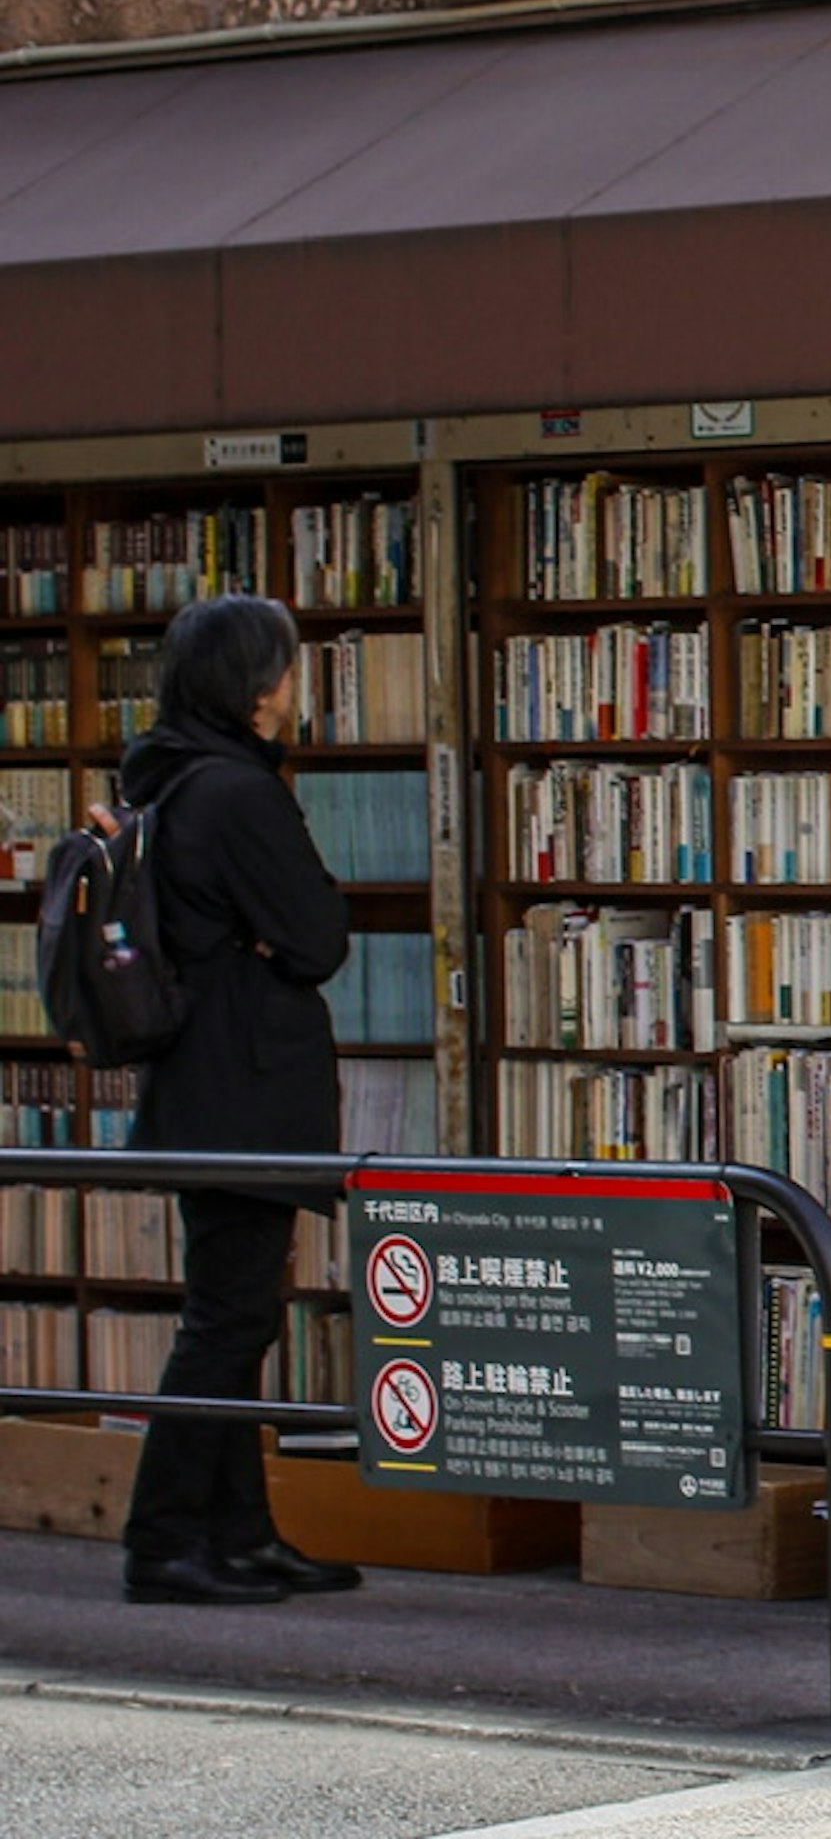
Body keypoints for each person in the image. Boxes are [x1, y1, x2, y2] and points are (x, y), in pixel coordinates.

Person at [119, 594, 361, 1605]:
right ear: (259, 686)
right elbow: (318, 938)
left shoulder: (168, 780)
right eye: (289, 668)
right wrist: (272, 938)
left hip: (197, 1079)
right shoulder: (240, 794)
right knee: (227, 1319)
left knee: (237, 1312)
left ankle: (236, 1529)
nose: (295, 687)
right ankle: (166, 1540)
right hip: (248, 1085)